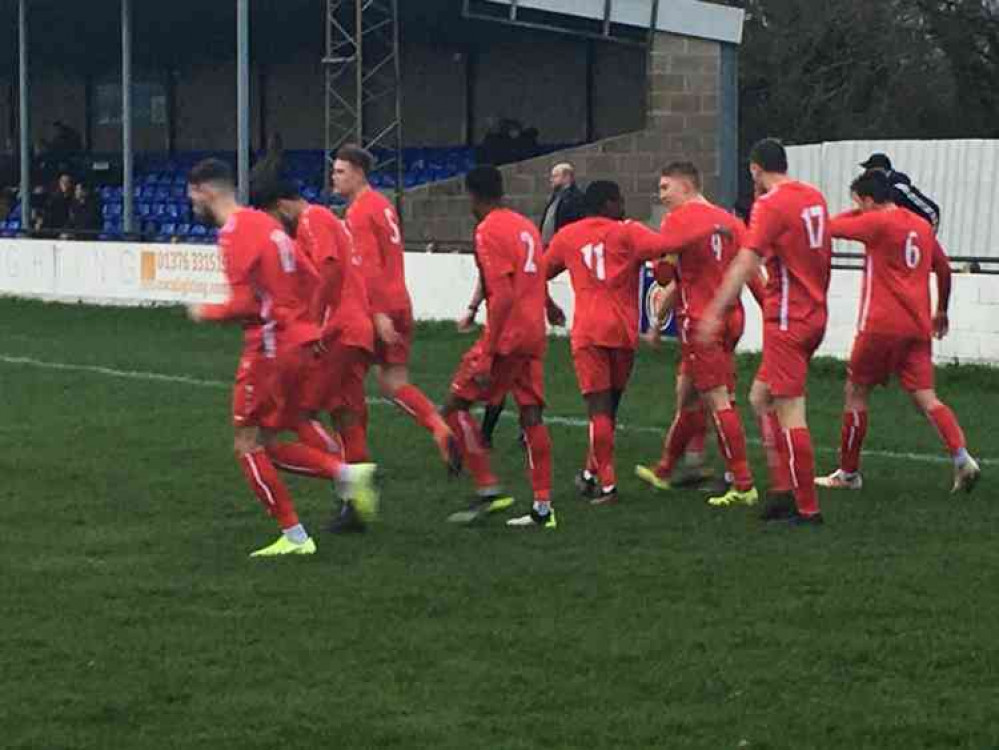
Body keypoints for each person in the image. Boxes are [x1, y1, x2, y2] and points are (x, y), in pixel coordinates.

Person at [185, 158, 378, 558]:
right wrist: (299, 318)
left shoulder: (235, 233)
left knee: (247, 443)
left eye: (192, 196)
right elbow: (308, 274)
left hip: (269, 348)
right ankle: (345, 476)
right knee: (272, 439)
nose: (192, 205)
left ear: (206, 191)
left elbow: (241, 303)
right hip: (297, 343)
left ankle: (297, 534)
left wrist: (206, 311)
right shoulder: (265, 225)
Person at [545, 180, 716, 506]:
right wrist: (710, 228)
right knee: (609, 410)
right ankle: (591, 474)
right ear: (608, 203)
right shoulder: (628, 233)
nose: (623, 205)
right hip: (622, 332)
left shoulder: (568, 236)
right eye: (620, 199)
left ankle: (607, 486)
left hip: (589, 332)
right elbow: (670, 244)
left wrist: (549, 306)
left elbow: (538, 272)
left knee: (599, 411)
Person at [816, 171, 981, 493]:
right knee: (927, 398)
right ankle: (962, 458)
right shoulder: (920, 224)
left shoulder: (876, 223)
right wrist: (942, 310)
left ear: (867, 200)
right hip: (918, 326)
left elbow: (829, 227)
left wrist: (858, 212)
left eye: (858, 203)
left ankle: (848, 474)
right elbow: (944, 269)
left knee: (856, 392)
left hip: (880, 325)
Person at [700, 138, 832, 526]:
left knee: (791, 410)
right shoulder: (813, 196)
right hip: (814, 314)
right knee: (761, 397)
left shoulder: (770, 204)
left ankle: (806, 508)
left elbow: (746, 260)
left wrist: (715, 310)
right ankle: (781, 488)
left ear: (755, 169)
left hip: (788, 319)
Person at [249, 164, 379, 532]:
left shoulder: (313, 218)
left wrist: (315, 324)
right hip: (354, 329)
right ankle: (355, 504)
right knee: (345, 417)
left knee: (299, 413)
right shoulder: (321, 221)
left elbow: (330, 269)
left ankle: (348, 479)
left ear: (281, 204)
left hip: (338, 330)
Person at [635, 162, 764, 508]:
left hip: (702, 321)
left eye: (665, 188)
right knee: (690, 397)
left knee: (716, 399)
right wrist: (769, 310)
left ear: (686, 187)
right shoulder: (731, 221)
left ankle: (742, 482)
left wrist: (655, 256)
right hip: (733, 316)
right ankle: (664, 470)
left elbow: (664, 276)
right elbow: (750, 270)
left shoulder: (678, 221)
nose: (661, 197)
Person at [331, 144, 459, 472]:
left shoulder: (359, 211)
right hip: (400, 300)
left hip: (378, 308)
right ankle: (438, 426)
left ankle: (356, 460)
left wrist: (376, 314)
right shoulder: (383, 204)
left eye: (340, 171)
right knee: (394, 383)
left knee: (347, 388)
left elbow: (368, 266)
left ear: (359, 173)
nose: (334, 177)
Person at [443, 165, 555, 530]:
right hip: (533, 332)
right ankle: (542, 507)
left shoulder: (488, 229)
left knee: (455, 406)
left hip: (508, 336)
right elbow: (534, 274)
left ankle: (487, 487)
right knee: (531, 414)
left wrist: (489, 351)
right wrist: (549, 306)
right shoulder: (524, 225)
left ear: (472, 195)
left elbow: (503, 293)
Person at [860, 153, 941, 233]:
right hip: (913, 223)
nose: (867, 173)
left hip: (928, 219)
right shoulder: (887, 185)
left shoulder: (898, 187)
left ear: (880, 170)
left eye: (869, 170)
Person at [540, 163, 585, 246]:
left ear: (566, 177)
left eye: (555, 176)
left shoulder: (576, 198)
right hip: (549, 246)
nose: (551, 179)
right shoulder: (555, 197)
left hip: (563, 246)